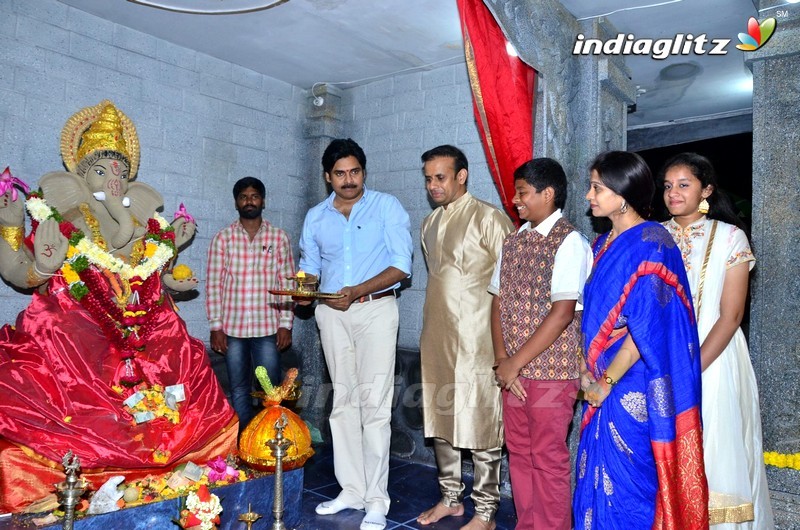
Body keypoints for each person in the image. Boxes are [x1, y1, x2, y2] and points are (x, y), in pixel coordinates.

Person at [0, 101, 235, 506]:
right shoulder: (65, 217)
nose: (115, 180)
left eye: (122, 174)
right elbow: (22, 273)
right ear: (77, 177)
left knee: (181, 360)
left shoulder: (144, 229)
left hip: (143, 330)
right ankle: (78, 480)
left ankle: (181, 469)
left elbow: (146, 278)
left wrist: (173, 271)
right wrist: (30, 250)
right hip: (76, 332)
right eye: (103, 172)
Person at [574, 150, 708, 529]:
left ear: (624, 192)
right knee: (593, 476)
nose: (589, 195)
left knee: (630, 483)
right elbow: (591, 319)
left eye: (597, 187)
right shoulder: (601, 246)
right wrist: (585, 370)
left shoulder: (653, 243)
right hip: (597, 379)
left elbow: (646, 329)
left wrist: (606, 382)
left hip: (628, 381)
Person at [297, 138, 412, 530]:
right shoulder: (316, 216)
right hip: (330, 315)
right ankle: (351, 490)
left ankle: (377, 500)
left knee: (375, 407)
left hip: (376, 310)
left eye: (355, 172)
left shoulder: (386, 207)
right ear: (328, 177)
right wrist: (303, 290)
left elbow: (401, 266)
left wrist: (358, 291)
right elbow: (310, 266)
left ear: (364, 171)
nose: (349, 180)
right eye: (340, 174)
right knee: (343, 403)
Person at [660, 153, 774, 529]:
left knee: (715, 450)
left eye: (684, 184)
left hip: (716, 359)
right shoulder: (653, 235)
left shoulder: (729, 236)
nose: (673, 193)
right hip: (659, 359)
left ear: (706, 190)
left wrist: (690, 371)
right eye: (668, 186)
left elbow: (732, 316)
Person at [489, 158, 592, 529]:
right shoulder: (513, 241)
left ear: (548, 194)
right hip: (513, 372)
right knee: (518, 452)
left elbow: (562, 312)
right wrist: (503, 360)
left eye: (522, 193)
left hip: (551, 372)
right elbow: (497, 302)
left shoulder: (569, 242)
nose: (516, 201)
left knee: (547, 456)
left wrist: (514, 362)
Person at [416, 145, 514, 530]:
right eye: (428, 178)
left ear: (462, 176)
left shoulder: (490, 218)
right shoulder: (429, 223)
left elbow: (510, 284)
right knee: (441, 417)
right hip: (437, 335)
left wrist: (508, 347)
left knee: (481, 421)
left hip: (479, 339)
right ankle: (451, 498)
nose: (433, 185)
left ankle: (486, 511)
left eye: (440, 177)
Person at [205, 176, 295, 435]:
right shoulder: (223, 239)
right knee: (239, 388)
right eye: (243, 197)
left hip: (268, 329)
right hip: (233, 331)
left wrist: (286, 324)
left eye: (254, 196)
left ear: (262, 201)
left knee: (270, 388)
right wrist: (216, 327)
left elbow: (287, 282)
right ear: (236, 202)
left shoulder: (278, 238)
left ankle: (270, 438)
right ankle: (245, 439)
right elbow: (213, 285)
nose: (249, 201)